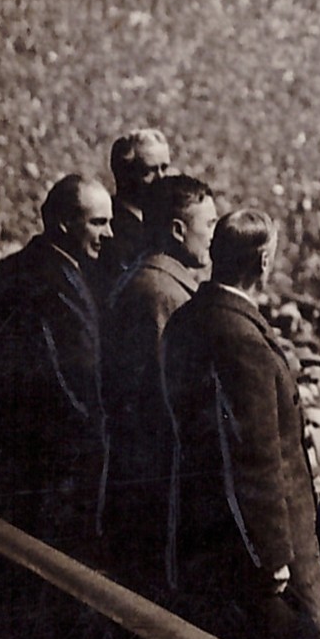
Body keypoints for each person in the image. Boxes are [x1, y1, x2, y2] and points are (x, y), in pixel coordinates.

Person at [162, 210, 320, 639]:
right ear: (262, 261)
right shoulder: (239, 334)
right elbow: (252, 453)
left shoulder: (187, 319)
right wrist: (272, 554)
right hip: (262, 541)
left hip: (207, 527)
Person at [0, 175, 114, 552]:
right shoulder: (33, 276)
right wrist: (92, 436)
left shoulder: (67, 269)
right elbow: (51, 379)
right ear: (63, 223)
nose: (108, 234)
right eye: (98, 223)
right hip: (48, 462)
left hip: (56, 460)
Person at [101, 174, 215, 591]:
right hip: (155, 481)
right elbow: (161, 402)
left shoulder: (159, 284)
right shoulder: (160, 294)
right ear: (178, 230)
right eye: (210, 225)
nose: (214, 237)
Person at [97, 127, 173, 302]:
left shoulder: (160, 223)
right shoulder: (110, 228)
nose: (161, 179)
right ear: (124, 175)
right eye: (149, 171)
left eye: (165, 168)